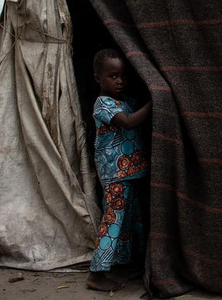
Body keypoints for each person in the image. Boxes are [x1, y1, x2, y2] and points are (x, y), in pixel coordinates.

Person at [87, 48, 152, 292]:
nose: (120, 81)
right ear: (98, 79)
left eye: (122, 76)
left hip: (130, 173)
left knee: (129, 221)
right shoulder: (102, 104)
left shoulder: (124, 101)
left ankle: (123, 263)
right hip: (115, 174)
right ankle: (97, 273)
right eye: (113, 76)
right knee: (113, 221)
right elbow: (128, 121)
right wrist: (156, 100)